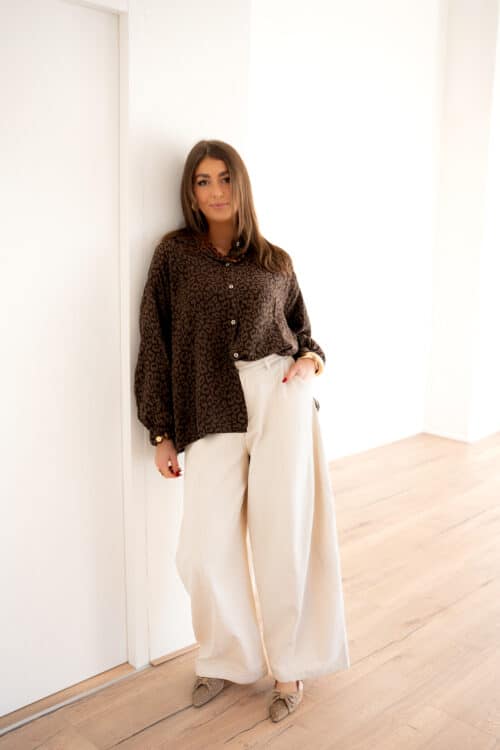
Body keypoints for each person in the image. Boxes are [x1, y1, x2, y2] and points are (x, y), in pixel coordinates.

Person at [134, 139, 350, 724]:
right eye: (203, 181)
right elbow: (155, 341)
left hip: (280, 397)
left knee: (285, 536)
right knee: (203, 548)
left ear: (242, 184)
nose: (216, 191)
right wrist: (161, 431)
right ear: (191, 191)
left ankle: (291, 667)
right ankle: (227, 659)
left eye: (225, 178)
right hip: (209, 403)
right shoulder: (174, 256)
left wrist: (310, 364)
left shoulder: (276, 261)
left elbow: (306, 335)